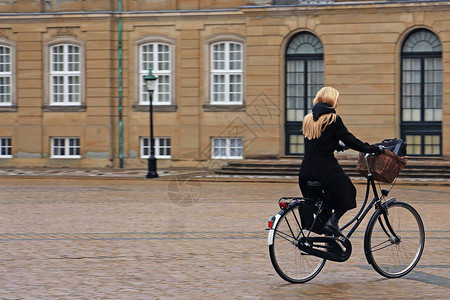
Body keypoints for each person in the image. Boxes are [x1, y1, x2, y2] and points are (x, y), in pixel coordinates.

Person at [298, 87, 383, 236]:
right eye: (337, 100)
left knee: (321, 205)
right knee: (349, 191)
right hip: (325, 169)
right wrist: (374, 148)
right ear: (332, 101)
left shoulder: (308, 119)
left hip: (305, 170)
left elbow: (317, 140)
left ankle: (330, 240)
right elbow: (352, 141)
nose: (338, 103)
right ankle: (333, 222)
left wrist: (336, 145)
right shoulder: (333, 119)